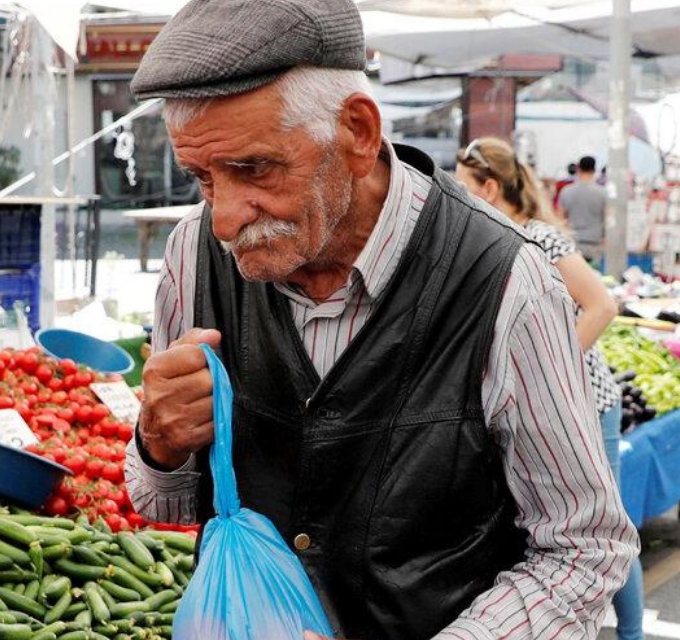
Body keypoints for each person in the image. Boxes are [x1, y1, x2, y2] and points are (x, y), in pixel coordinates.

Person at [125, 1, 637, 638]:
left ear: (359, 133)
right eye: (201, 178)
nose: (225, 218)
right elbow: (163, 502)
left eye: (254, 168)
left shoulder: (505, 281)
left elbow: (584, 548)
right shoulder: (192, 255)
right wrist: (160, 442)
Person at [456, 137, 645, 640]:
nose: (455, 196)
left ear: (490, 189)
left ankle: (632, 634)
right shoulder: (483, 243)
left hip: (588, 402)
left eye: (463, 186)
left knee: (600, 528)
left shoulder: (538, 238)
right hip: (537, 407)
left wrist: (547, 368)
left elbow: (602, 306)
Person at [558, 155, 608, 265]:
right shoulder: (603, 193)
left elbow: (560, 219)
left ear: (579, 169)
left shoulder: (566, 191)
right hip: (595, 243)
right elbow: (607, 217)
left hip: (572, 243)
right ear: (594, 170)